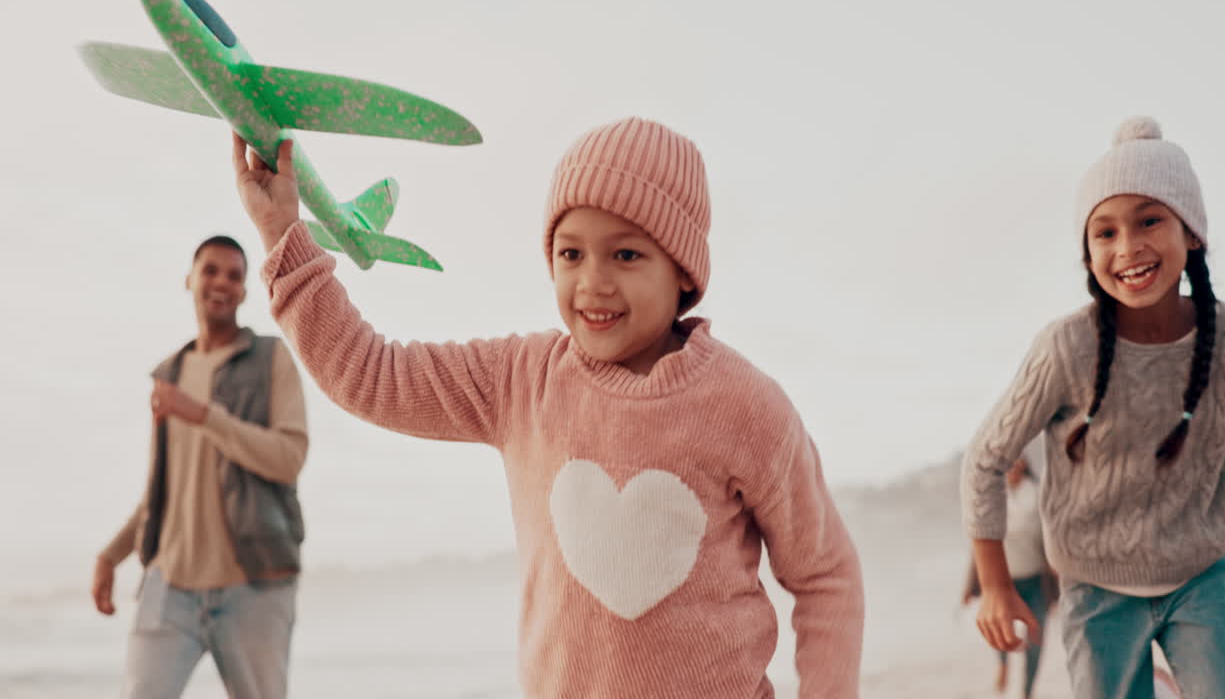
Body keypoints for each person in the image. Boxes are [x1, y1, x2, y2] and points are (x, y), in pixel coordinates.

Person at [228, 117, 864, 698]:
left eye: (627, 254)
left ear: (683, 272)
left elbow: (825, 576)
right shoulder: (521, 379)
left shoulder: (747, 407)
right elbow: (371, 373)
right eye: (570, 253)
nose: (592, 281)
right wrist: (284, 236)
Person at [962, 116, 1225, 699]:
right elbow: (985, 460)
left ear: (1192, 232)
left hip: (1200, 579)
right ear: (1087, 252)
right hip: (1094, 588)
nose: (1127, 248)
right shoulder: (1067, 347)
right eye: (1104, 233)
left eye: (1150, 220)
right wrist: (995, 585)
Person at [92, 235, 309, 698]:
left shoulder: (272, 359)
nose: (221, 283)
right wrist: (111, 555)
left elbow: (289, 459)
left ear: (245, 292)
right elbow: (162, 491)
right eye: (210, 270)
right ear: (189, 280)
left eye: (234, 275)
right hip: (168, 587)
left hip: (254, 586)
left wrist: (204, 415)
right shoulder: (169, 375)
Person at [962, 455, 1056, 698]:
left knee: (1036, 638)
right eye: (1008, 464)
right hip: (1003, 580)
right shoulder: (993, 495)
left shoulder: (1038, 494)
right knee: (1001, 629)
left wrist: (1060, 580)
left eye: (1017, 463)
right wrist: (968, 587)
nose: (1012, 468)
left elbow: (1051, 538)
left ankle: (1027, 692)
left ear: (1024, 465)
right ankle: (1003, 664)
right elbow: (979, 545)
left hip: (1035, 579)